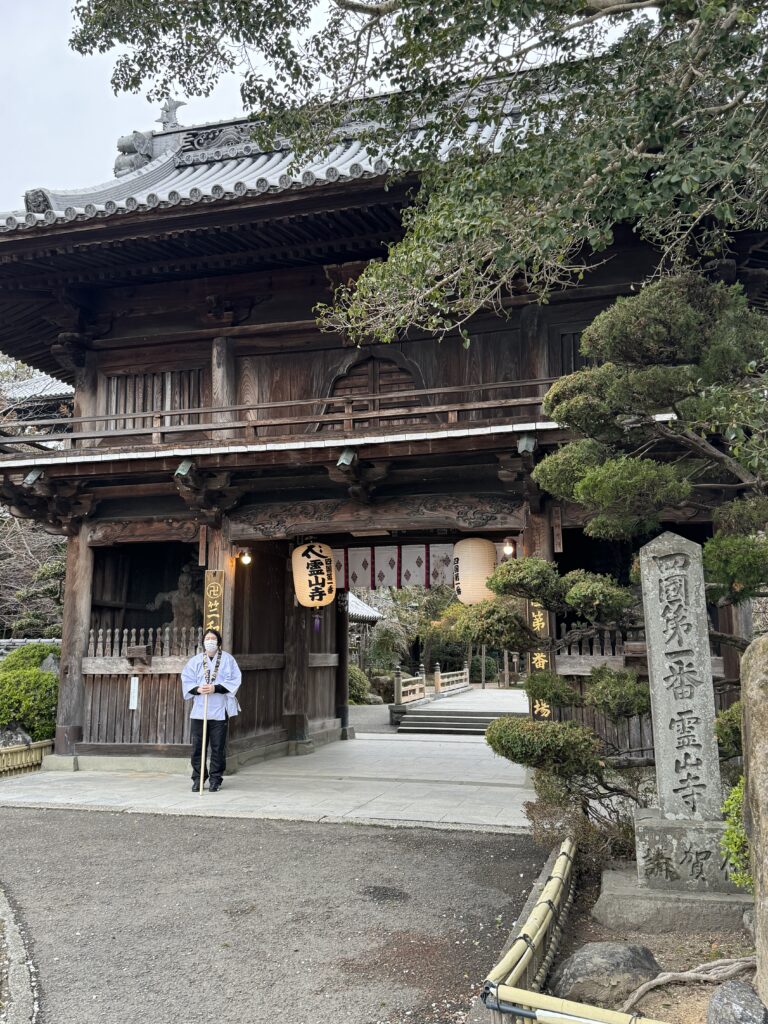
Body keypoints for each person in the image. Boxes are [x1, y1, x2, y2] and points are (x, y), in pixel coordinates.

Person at [181, 628, 241, 792]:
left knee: (217, 746)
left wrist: (216, 688)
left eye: (212, 638)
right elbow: (187, 679)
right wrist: (197, 689)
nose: (210, 641)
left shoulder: (228, 660)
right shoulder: (195, 661)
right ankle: (198, 778)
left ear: (219, 642)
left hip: (219, 709)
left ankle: (216, 778)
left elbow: (235, 679)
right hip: (200, 709)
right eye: (207, 638)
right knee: (198, 747)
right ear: (203, 642)